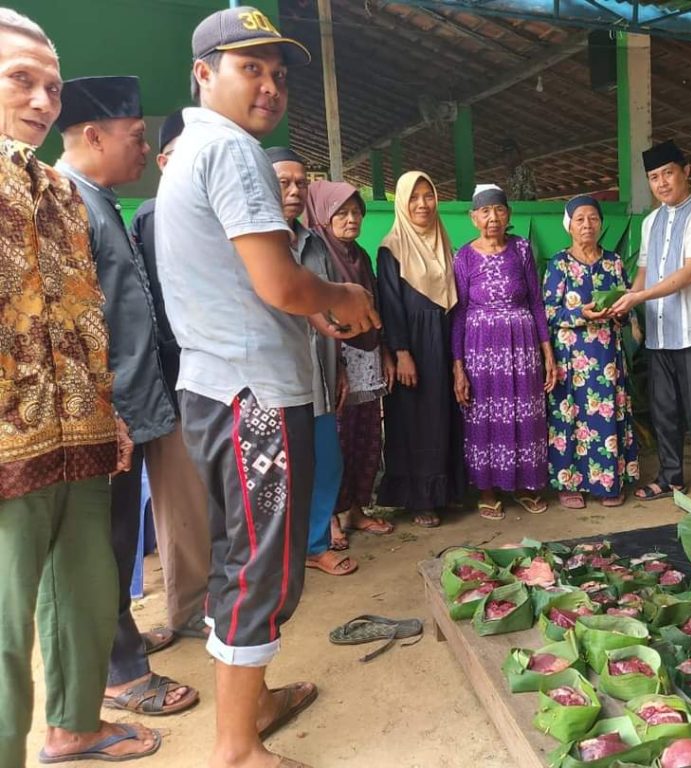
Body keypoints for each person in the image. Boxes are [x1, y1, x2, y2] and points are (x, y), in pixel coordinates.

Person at [155, 8, 379, 768]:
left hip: (216, 385)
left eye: (278, 74)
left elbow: (241, 282)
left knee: (241, 554)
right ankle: (236, 747)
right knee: (261, 567)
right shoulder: (231, 151)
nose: (270, 87)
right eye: (250, 68)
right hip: (253, 394)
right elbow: (280, 283)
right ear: (204, 73)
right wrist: (341, 297)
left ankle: (252, 704)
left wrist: (308, 311)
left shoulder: (190, 151)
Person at [0, 8, 159, 763]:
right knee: (5, 632)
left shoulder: (60, 194)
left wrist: (110, 415)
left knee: (90, 593)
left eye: (53, 88)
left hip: (83, 434)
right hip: (9, 444)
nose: (41, 101)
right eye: (20, 81)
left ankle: (74, 727)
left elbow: (83, 314)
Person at [55, 77, 200, 717]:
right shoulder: (68, 207)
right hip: (102, 416)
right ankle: (119, 673)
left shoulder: (101, 201)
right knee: (103, 545)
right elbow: (67, 330)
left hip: (130, 406)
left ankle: (122, 645)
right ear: (93, 136)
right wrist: (103, 412)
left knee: (115, 538)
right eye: (136, 138)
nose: (145, 149)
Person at [129, 109, 214, 642]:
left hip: (209, 379)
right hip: (178, 381)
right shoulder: (157, 214)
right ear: (164, 162)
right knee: (183, 504)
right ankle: (189, 609)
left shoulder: (206, 208)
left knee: (210, 499)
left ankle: (211, 600)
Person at [612, 140, 691, 512]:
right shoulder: (651, 221)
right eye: (653, 177)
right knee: (663, 408)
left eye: (668, 173)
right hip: (660, 330)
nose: (661, 183)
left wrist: (639, 298)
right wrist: (627, 301)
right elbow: (644, 272)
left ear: (686, 171)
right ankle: (670, 476)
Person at [268, 148, 358, 578]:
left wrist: (339, 368)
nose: (294, 191)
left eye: (301, 183)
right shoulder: (256, 246)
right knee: (277, 471)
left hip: (318, 376)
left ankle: (314, 545)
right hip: (273, 383)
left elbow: (330, 312)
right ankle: (275, 555)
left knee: (326, 462)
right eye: (283, 182)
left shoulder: (315, 244)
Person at [452, 184, 556, 519]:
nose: (492, 217)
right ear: (473, 218)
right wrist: (458, 366)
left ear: (508, 214)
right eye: (485, 211)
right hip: (480, 348)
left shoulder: (521, 249)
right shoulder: (464, 256)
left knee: (523, 412)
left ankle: (524, 485)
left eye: (498, 210)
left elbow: (536, 302)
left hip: (522, 346)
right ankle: (487, 488)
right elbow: (459, 313)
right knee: (485, 414)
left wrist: (548, 353)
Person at [303, 180, 396, 547]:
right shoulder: (317, 253)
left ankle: (356, 508)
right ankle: (330, 518)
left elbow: (374, 308)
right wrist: (338, 364)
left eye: (357, 212)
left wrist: (383, 351)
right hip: (334, 357)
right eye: (341, 212)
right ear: (325, 215)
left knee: (366, 436)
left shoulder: (361, 256)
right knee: (334, 442)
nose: (351, 219)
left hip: (367, 355)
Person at [376, 171, 465, 528]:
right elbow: (390, 304)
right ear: (401, 202)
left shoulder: (444, 242)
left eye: (428, 195)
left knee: (443, 414)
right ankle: (419, 498)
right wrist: (401, 352)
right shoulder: (391, 247)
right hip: (413, 343)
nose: (422, 204)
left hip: (442, 338)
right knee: (417, 419)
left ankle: (445, 490)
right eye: (413, 197)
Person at [545, 195, 640, 508]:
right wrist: (580, 314)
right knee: (570, 416)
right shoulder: (559, 264)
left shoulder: (613, 262)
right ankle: (569, 483)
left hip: (607, 354)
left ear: (600, 224)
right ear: (569, 225)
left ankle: (608, 482)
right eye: (580, 219)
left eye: (593, 218)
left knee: (607, 413)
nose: (587, 224)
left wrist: (621, 313)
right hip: (571, 358)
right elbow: (548, 311)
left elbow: (627, 304)